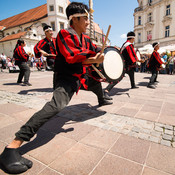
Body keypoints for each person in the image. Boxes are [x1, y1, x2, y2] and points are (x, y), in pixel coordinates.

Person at [0, 2, 112, 174]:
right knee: (57, 106)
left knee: (95, 83)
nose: (88, 22)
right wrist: (93, 59)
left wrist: (109, 55)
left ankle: (102, 98)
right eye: (85, 19)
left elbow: (94, 50)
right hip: (66, 78)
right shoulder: (64, 35)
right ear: (74, 19)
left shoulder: (86, 39)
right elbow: (72, 56)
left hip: (81, 76)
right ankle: (12, 147)